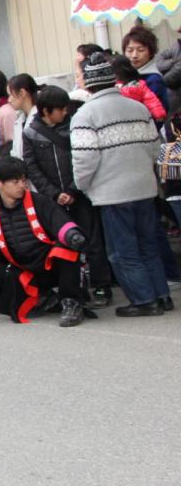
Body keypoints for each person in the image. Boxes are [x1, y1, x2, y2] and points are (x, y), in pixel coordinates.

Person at [71, 52, 171, 316]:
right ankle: (162, 296)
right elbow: (155, 148)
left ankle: (144, 300)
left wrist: (83, 186)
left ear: (89, 83)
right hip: (145, 188)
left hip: (112, 193)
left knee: (122, 252)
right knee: (148, 246)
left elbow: (84, 159)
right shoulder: (139, 108)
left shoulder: (84, 115)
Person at [0, 157, 88, 326]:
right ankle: (44, 298)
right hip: (25, 270)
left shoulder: (40, 201)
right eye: (15, 181)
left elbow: (59, 222)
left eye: (24, 180)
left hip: (51, 266)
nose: (22, 185)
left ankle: (72, 303)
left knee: (66, 248)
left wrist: (72, 235)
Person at [22, 85, 113, 307]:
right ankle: (74, 289)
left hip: (81, 192)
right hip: (53, 199)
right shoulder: (31, 132)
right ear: (45, 111)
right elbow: (31, 168)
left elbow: (84, 159)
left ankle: (102, 285)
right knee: (63, 244)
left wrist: (73, 189)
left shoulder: (76, 126)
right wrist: (54, 193)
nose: (65, 112)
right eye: (61, 109)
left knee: (93, 241)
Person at [122, 25, 169, 110]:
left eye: (141, 50)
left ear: (151, 53)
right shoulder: (124, 76)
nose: (134, 55)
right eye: (130, 50)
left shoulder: (154, 79)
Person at [109, 55, 167, 122]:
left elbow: (150, 99)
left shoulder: (115, 87)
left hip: (122, 118)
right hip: (139, 118)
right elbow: (151, 99)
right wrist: (159, 114)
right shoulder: (139, 84)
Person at [6, 74, 39, 160]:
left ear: (22, 93)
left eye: (10, 95)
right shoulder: (19, 120)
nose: (8, 100)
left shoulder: (40, 118)